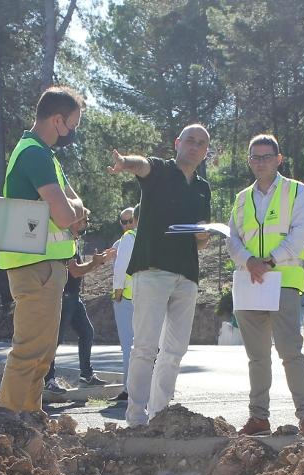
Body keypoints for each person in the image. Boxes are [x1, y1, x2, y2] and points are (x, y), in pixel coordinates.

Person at [107, 124, 212, 426]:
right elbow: (142, 165)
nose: (194, 146)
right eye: (189, 140)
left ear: (206, 151)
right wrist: (126, 162)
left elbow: (201, 239)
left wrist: (206, 233)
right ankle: (136, 418)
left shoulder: (203, 187)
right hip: (152, 270)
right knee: (145, 347)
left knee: (175, 350)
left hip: (187, 275)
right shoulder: (162, 171)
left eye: (201, 143)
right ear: (177, 142)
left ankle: (160, 415)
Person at [0, 86, 89, 414]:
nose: (72, 134)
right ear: (58, 119)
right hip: (36, 266)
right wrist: (76, 208)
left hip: (43, 266)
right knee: (30, 351)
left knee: (41, 352)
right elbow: (67, 214)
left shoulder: (44, 155)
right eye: (72, 126)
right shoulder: (34, 153)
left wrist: (73, 209)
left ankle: (29, 418)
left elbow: (71, 214)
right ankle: (11, 420)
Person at [228, 134, 304, 437]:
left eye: (266, 156)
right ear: (249, 160)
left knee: (290, 352)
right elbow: (233, 240)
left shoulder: (296, 191)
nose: (260, 162)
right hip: (249, 281)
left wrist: (269, 260)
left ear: (279, 159)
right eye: (255, 157)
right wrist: (248, 261)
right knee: (257, 356)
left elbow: (303, 232)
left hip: (283, 281)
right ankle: (259, 418)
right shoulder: (242, 198)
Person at [44, 245, 111, 393]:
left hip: (74, 297)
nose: (84, 222)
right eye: (82, 220)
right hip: (63, 297)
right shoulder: (64, 242)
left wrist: (98, 262)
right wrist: (95, 263)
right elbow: (75, 271)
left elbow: (80, 270)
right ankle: (47, 379)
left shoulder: (73, 243)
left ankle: (86, 376)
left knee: (87, 332)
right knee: (55, 339)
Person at [109, 205, 139, 400]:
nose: (128, 224)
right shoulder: (149, 237)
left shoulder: (128, 239)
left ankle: (129, 389)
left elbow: (120, 270)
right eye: (124, 221)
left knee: (128, 346)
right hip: (146, 298)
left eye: (131, 220)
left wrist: (117, 293)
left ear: (136, 219)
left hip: (127, 298)